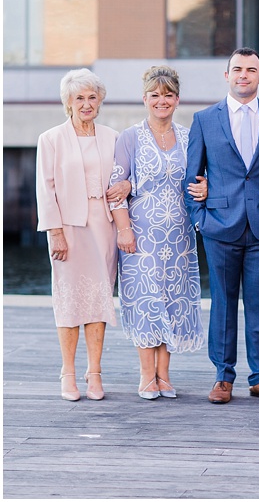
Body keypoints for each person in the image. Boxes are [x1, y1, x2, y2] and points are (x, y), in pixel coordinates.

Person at [184, 48, 259, 404]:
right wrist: (201, 220)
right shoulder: (204, 119)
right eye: (237, 69)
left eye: (251, 70)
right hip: (220, 226)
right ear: (227, 75)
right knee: (223, 303)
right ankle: (223, 376)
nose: (243, 75)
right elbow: (192, 177)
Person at [109, 65, 205, 400]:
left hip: (179, 234)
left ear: (177, 99)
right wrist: (124, 230)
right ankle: (146, 375)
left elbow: (199, 179)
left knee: (172, 301)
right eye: (154, 95)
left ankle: (164, 375)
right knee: (147, 301)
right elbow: (115, 189)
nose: (161, 100)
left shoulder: (189, 136)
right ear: (145, 99)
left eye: (167, 95)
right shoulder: (130, 137)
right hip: (141, 233)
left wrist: (205, 187)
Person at [36, 68, 129, 401]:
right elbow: (45, 190)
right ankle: (68, 372)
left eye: (92, 97)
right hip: (69, 231)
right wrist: (55, 232)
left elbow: (124, 177)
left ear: (100, 100)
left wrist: (128, 184)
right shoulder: (50, 139)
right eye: (80, 98)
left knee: (99, 301)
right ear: (68, 102)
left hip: (103, 229)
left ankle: (94, 373)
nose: (87, 104)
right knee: (69, 302)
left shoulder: (113, 137)